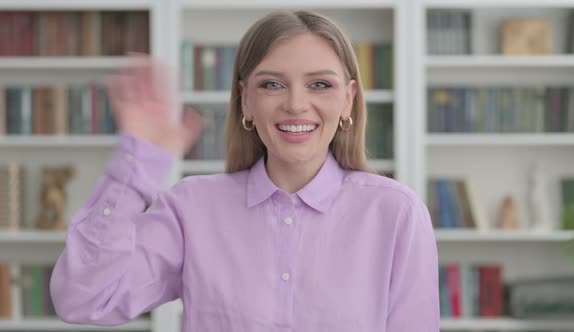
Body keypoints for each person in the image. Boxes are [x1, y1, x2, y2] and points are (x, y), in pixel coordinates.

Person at [50, 10, 439, 332]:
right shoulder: (192, 208)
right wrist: (135, 167)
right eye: (272, 84)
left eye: (320, 84)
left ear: (348, 100)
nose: (296, 104)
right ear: (246, 101)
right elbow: (85, 299)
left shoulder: (396, 213)